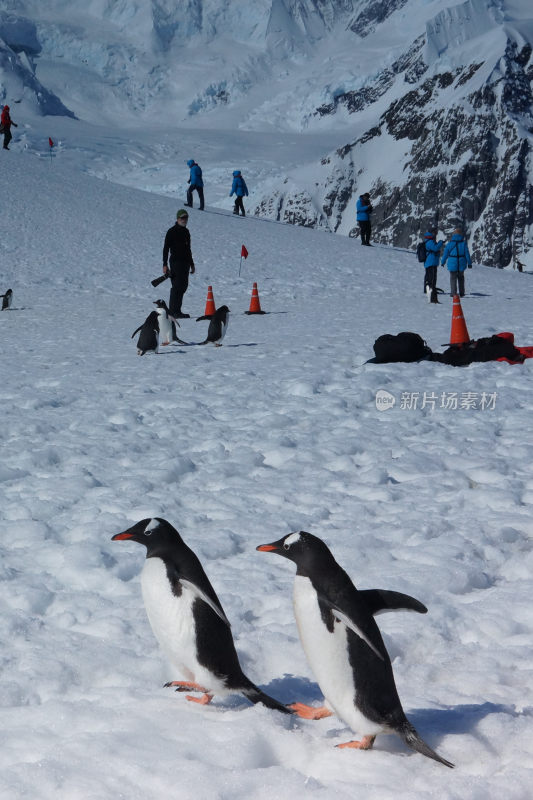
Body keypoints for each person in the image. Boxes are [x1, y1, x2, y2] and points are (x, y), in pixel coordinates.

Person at [162, 209, 196, 318]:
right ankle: (172, 311)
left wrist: (192, 263)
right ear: (177, 219)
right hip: (176, 262)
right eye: (182, 218)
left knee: (183, 286)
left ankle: (178, 311)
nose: (184, 220)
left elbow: (188, 249)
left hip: (185, 262)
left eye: (186, 218)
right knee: (177, 286)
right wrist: (165, 264)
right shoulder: (171, 231)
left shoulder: (186, 232)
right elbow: (166, 248)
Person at [441, 228, 472, 297]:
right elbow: (467, 254)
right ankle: (462, 293)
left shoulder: (449, 244)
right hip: (461, 263)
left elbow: (445, 254)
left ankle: (453, 293)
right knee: (461, 278)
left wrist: (443, 262)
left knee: (453, 278)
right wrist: (469, 263)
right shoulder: (463, 244)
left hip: (452, 263)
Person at [423, 229, 445, 294]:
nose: (435, 234)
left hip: (431, 262)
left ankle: (431, 288)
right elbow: (435, 248)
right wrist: (440, 242)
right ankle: (429, 289)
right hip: (430, 262)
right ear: (432, 233)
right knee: (430, 276)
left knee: (431, 276)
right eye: (435, 233)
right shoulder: (430, 241)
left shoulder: (429, 240)